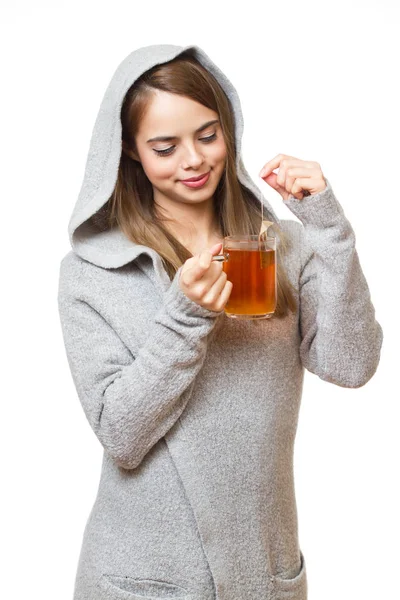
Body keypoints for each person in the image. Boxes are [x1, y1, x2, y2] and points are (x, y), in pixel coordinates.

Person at [57, 44, 383, 600]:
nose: (194, 160)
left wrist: (328, 226)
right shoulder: (93, 273)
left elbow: (351, 365)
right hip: (141, 578)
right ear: (130, 151)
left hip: (263, 573)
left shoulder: (283, 246)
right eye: (165, 146)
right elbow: (122, 435)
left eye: (208, 135)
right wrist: (185, 317)